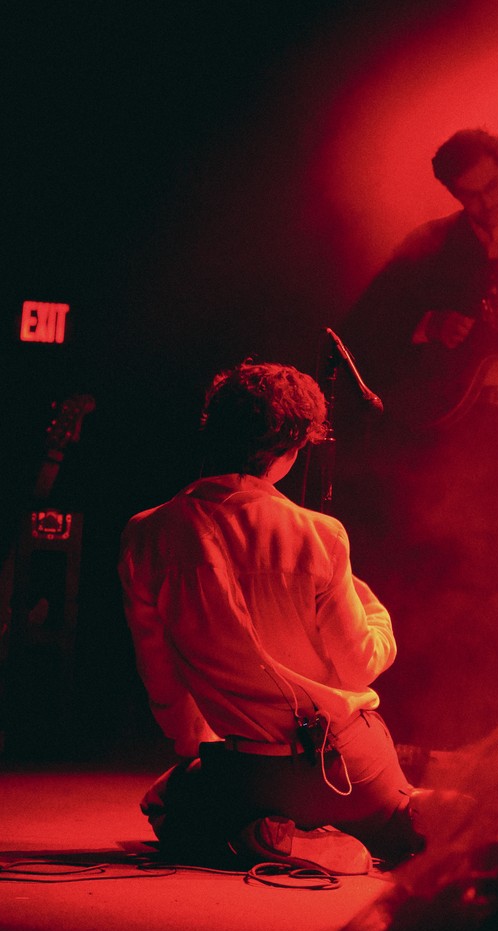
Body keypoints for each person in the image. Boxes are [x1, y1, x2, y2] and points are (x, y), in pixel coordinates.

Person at [118, 359, 425, 867]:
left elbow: (163, 677)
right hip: (345, 770)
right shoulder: (321, 534)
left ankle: (268, 833)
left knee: (166, 804)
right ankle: (381, 827)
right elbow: (360, 663)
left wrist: (196, 751)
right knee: (406, 816)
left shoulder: (144, 534)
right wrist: (375, 612)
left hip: (246, 772)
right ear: (289, 448)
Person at [335, 129, 498, 748]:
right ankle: (439, 727)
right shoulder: (429, 247)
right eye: (467, 196)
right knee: (452, 576)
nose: (485, 206)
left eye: (492, 188)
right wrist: (425, 323)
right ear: (449, 192)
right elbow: (362, 325)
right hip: (452, 441)